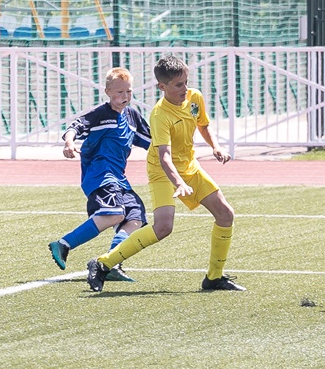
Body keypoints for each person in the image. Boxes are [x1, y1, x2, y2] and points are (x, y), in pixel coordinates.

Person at [86, 55, 245, 293]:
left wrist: (216, 147)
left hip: (189, 167)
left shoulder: (194, 97)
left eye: (186, 82)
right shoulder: (160, 115)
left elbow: (202, 124)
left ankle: (214, 278)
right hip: (162, 171)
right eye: (178, 85)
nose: (185, 88)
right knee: (163, 227)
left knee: (225, 214)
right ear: (162, 86)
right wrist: (178, 183)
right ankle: (103, 264)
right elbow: (164, 157)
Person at [48, 67, 151, 282]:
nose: (124, 96)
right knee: (115, 213)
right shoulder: (101, 114)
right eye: (119, 92)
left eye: (128, 92)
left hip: (119, 178)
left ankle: (112, 263)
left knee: (136, 217)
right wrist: (69, 143)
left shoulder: (132, 117)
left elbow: (153, 141)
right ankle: (63, 244)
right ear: (108, 92)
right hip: (100, 175)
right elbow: (75, 127)